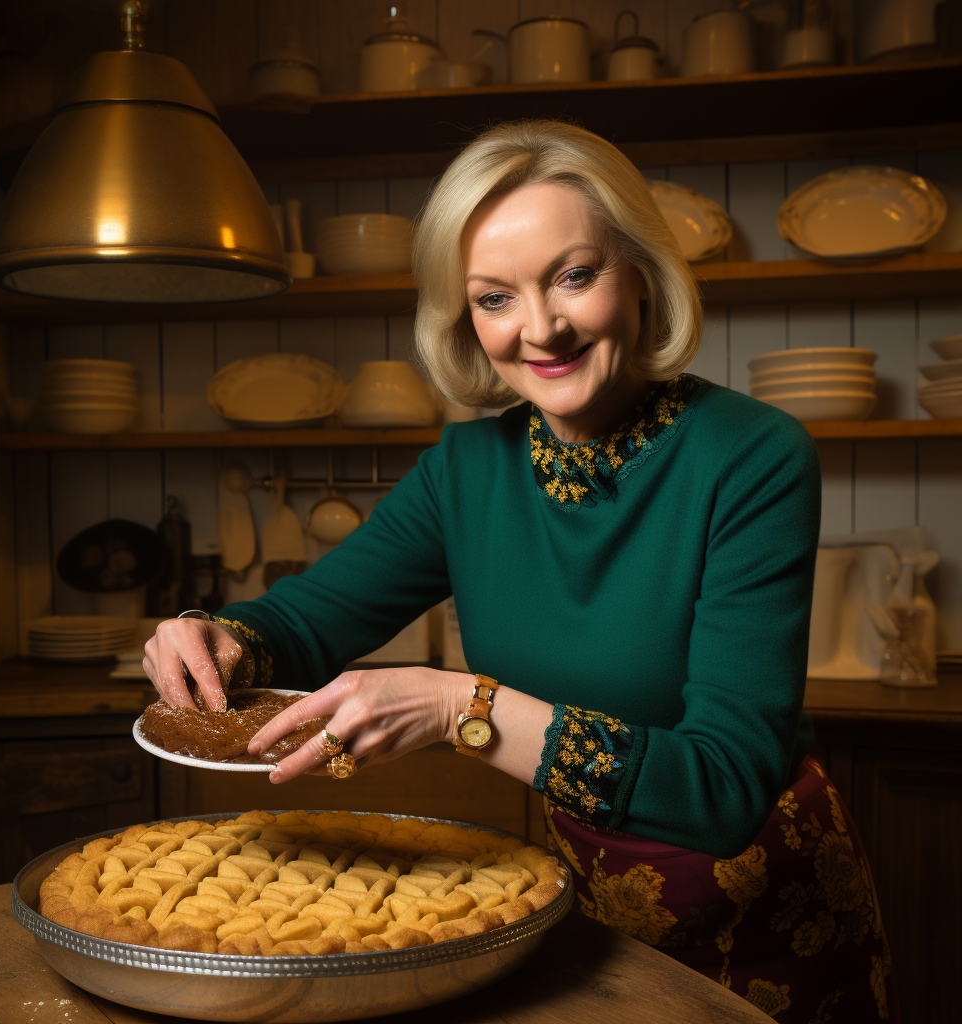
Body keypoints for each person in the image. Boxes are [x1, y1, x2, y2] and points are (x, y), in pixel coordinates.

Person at [144, 121, 898, 1023]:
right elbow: (303, 624)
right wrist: (217, 637)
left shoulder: (753, 456)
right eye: (494, 298)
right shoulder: (467, 471)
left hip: (781, 929)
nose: (540, 328)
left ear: (641, 273)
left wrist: (461, 708)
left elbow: (725, 787)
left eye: (573, 276)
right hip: (588, 912)